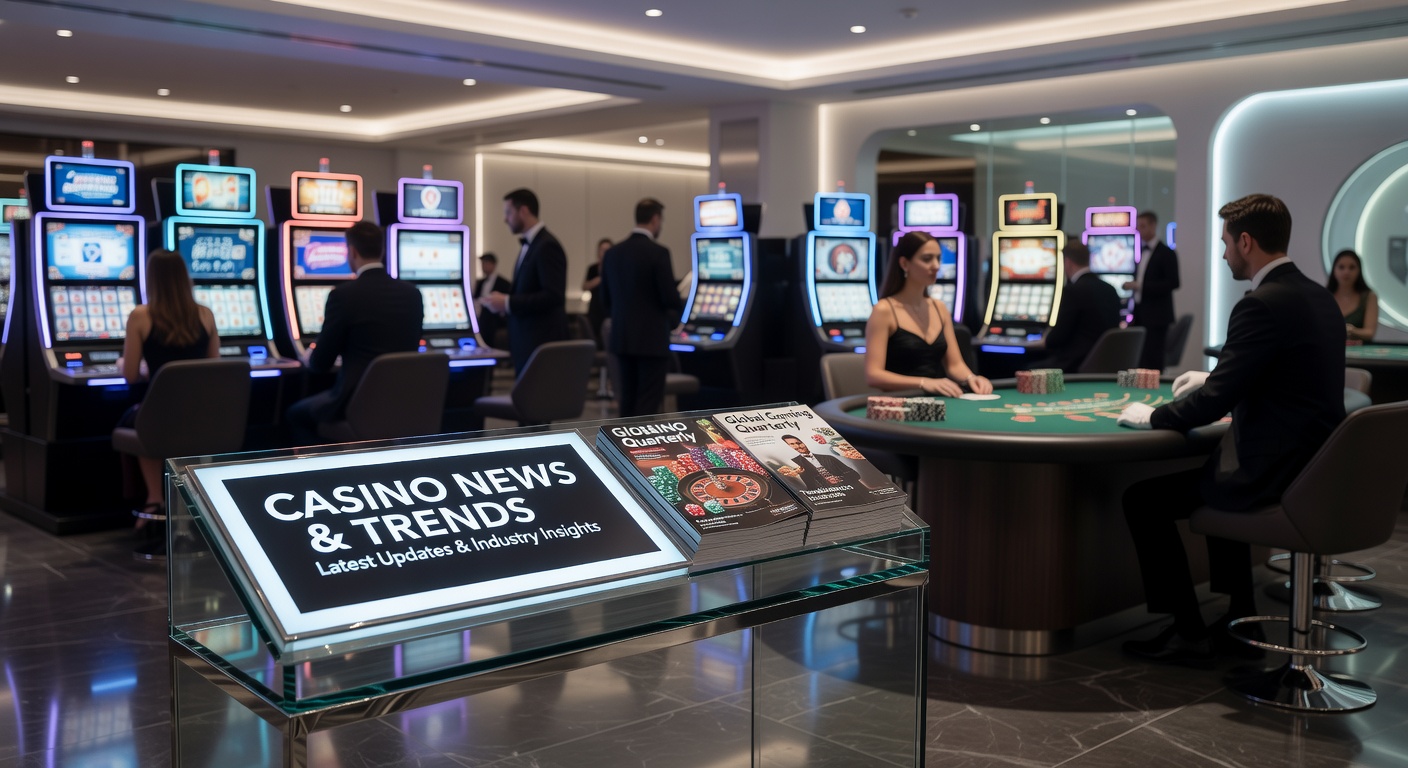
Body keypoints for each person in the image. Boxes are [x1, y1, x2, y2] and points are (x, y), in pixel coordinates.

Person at [1116, 193, 1345, 662]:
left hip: (1274, 475)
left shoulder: (1261, 303)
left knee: (1143, 499)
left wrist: (1152, 416)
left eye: (1225, 243)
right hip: (1316, 469)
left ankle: (1186, 629)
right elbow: (1283, 377)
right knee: (1211, 472)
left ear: (1246, 241)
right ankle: (1241, 613)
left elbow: (1214, 403)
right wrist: (1215, 376)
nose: (1223, 255)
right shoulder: (1317, 296)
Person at [285, 221, 423, 446]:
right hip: (403, 402)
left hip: (354, 404)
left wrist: (311, 355)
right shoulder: (412, 294)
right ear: (383, 250)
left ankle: (318, 476)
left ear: (352, 252)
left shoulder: (344, 295)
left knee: (295, 416)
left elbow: (320, 364)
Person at [119, 249, 220, 526]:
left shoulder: (140, 315)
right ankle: (194, 503)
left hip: (160, 416)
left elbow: (129, 374)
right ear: (183, 278)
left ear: (151, 280)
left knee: (135, 419)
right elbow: (215, 368)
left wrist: (124, 364)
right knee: (151, 419)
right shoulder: (205, 314)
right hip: (203, 416)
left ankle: (154, 500)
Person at [864, 231, 992, 396]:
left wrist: (971, 378)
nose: (936, 265)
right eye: (927, 259)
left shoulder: (939, 308)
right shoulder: (884, 310)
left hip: (935, 403)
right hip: (896, 405)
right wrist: (923, 383)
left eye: (938, 258)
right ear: (904, 263)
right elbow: (873, 375)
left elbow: (955, 365)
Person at [599, 199, 682, 417]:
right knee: (647, 403)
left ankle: (621, 448)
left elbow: (605, 299)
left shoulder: (612, 253)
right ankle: (642, 450)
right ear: (655, 219)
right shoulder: (659, 252)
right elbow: (669, 298)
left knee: (627, 400)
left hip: (622, 338)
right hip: (651, 341)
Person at [483, 188, 569, 377]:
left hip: (540, 345)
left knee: (539, 403)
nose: (505, 219)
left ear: (524, 211)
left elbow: (553, 296)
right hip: (527, 343)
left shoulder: (547, 246)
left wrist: (507, 302)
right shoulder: (534, 244)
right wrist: (505, 303)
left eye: (508, 212)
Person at [1033, 240, 1121, 372]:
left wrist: (1039, 339)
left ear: (1067, 262)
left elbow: (1057, 338)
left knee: (1022, 368)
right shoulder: (1110, 289)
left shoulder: (1073, 291)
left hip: (1075, 364)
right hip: (1107, 364)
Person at [1127, 211, 1181, 369]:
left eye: (1143, 226)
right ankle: (1139, 392)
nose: (1140, 230)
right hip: (1140, 313)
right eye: (1138, 227)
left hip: (1158, 316)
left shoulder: (1167, 253)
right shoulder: (1141, 252)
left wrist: (1140, 286)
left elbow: (1174, 283)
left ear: (1153, 226)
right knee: (1140, 359)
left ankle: (1155, 393)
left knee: (1154, 359)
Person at [777, 434, 862, 491]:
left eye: (799, 443)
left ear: (804, 443)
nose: (797, 446)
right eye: (791, 444)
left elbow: (855, 475)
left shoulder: (828, 457)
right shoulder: (791, 465)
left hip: (851, 492)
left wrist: (840, 479)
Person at [1327, 249, 1378, 342]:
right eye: (1341, 267)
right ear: (1334, 270)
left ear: (1359, 271)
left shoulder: (1369, 297)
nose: (1346, 272)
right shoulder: (1325, 296)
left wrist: (1353, 331)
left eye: (1352, 267)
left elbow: (1370, 332)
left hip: (1360, 353)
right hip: (1328, 350)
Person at [473, 252, 511, 348]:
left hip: (495, 323)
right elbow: (475, 299)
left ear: (493, 264)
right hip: (481, 321)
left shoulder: (504, 283)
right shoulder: (480, 282)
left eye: (486, 263)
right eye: (482, 263)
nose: (483, 266)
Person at [583, 237, 612, 344]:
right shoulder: (593, 269)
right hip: (595, 308)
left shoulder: (614, 268)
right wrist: (600, 279)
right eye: (602, 249)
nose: (603, 253)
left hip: (608, 309)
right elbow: (585, 286)